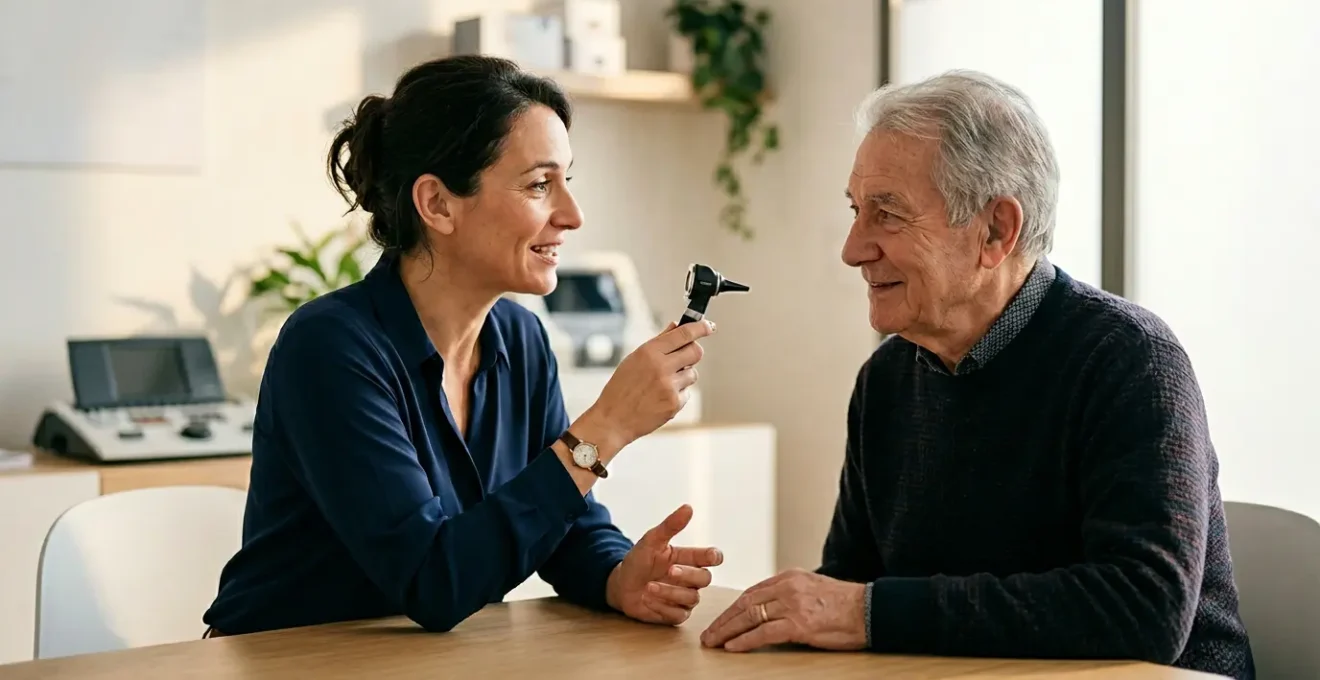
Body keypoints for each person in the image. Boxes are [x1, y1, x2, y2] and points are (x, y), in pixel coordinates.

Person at [699, 71, 1255, 679]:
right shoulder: (885, 380)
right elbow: (850, 588)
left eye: (887, 215)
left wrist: (866, 612)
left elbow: (1144, 610)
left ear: (996, 231)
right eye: (858, 211)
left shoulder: (1130, 359)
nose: (853, 249)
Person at [203, 55, 723, 636]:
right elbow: (433, 581)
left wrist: (616, 574)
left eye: (566, 181)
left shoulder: (521, 341)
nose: (572, 215)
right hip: (288, 665)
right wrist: (606, 427)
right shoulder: (330, 348)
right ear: (438, 205)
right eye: (538, 185)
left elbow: (564, 528)